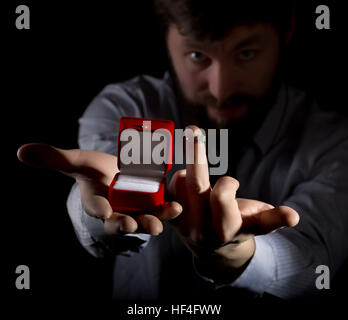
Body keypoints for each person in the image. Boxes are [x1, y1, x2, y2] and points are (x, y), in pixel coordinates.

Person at [17, 0, 348, 301]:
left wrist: (236, 253)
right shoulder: (127, 107)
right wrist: (108, 205)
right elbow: (102, 209)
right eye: (198, 56)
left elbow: (316, 261)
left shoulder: (331, 140)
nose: (222, 89)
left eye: (246, 53)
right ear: (167, 36)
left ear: (286, 30)